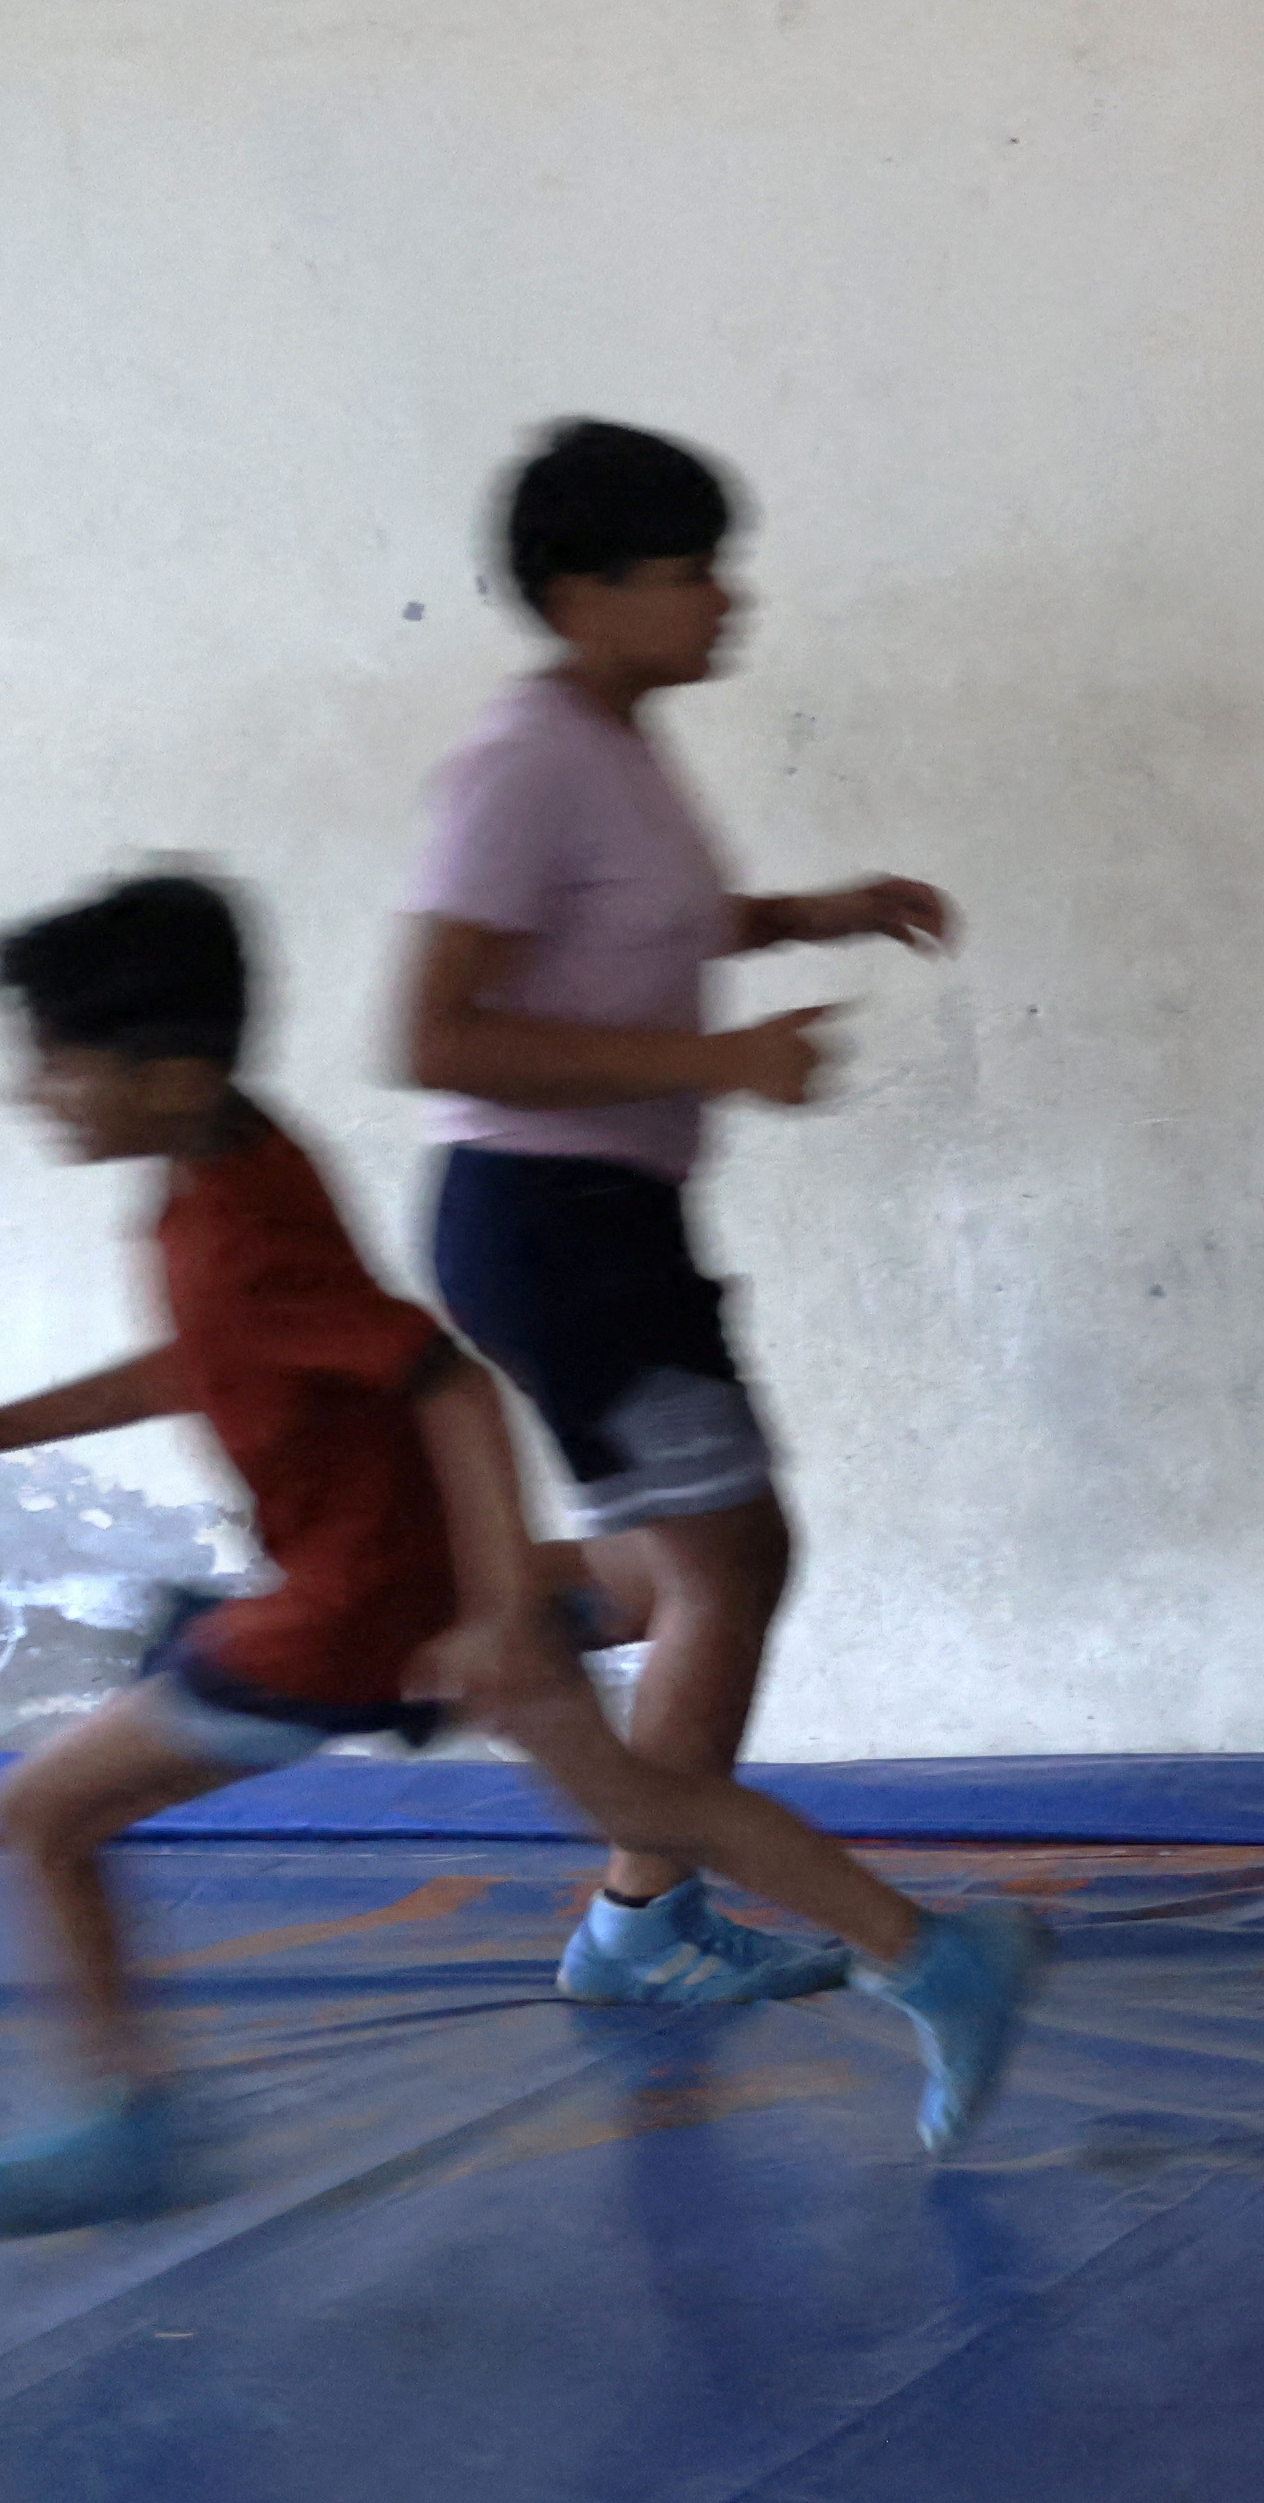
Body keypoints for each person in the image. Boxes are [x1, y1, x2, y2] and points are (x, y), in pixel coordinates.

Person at [0, 873, 1037, 2231]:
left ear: (166, 1078)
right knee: (637, 1801)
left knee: (38, 1816)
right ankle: (938, 1957)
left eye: (56, 1066)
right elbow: (205, 1364)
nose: (32, 1092)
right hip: (400, 1581)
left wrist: (507, 1605)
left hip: (353, 1616)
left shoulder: (237, 1225)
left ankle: (125, 2123)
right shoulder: (229, 1157)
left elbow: (441, 1380)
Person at [389, 420, 956, 2017]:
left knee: (670, 1563)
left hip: (601, 1224)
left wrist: (807, 916)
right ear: (582, 593)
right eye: (691, 567)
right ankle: (642, 1919)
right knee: (734, 1566)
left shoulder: (613, 746)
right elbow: (432, 1039)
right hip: (552, 1223)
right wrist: (719, 1058)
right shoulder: (522, 759)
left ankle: (413, 1632)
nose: (729, 597)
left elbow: (649, 929)